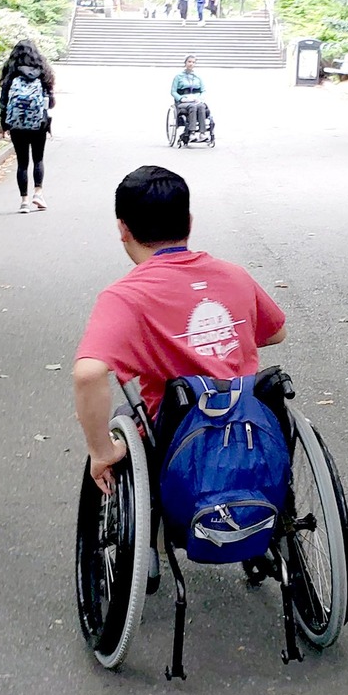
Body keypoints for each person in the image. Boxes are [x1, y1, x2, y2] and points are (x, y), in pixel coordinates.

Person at [73, 165, 287, 496]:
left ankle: (156, 535)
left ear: (123, 229)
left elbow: (88, 375)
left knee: (126, 416)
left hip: (178, 438)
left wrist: (102, 453)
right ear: (189, 222)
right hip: (252, 427)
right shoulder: (234, 276)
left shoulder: (126, 297)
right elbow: (276, 332)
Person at [0, 40, 56, 213]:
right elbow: (51, 103)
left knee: (22, 163)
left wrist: (5, 124)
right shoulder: (43, 73)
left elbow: (3, 103)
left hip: (16, 124)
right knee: (38, 159)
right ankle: (38, 193)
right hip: (39, 124)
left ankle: (24, 201)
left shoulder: (11, 73)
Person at [170, 54, 208, 141]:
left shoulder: (198, 77)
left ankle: (202, 133)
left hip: (195, 100)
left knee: (202, 106)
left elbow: (203, 90)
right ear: (185, 63)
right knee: (193, 107)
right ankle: (192, 132)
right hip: (183, 102)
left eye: (193, 62)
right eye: (189, 62)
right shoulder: (178, 77)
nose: (191, 64)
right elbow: (173, 91)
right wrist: (181, 98)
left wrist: (200, 98)